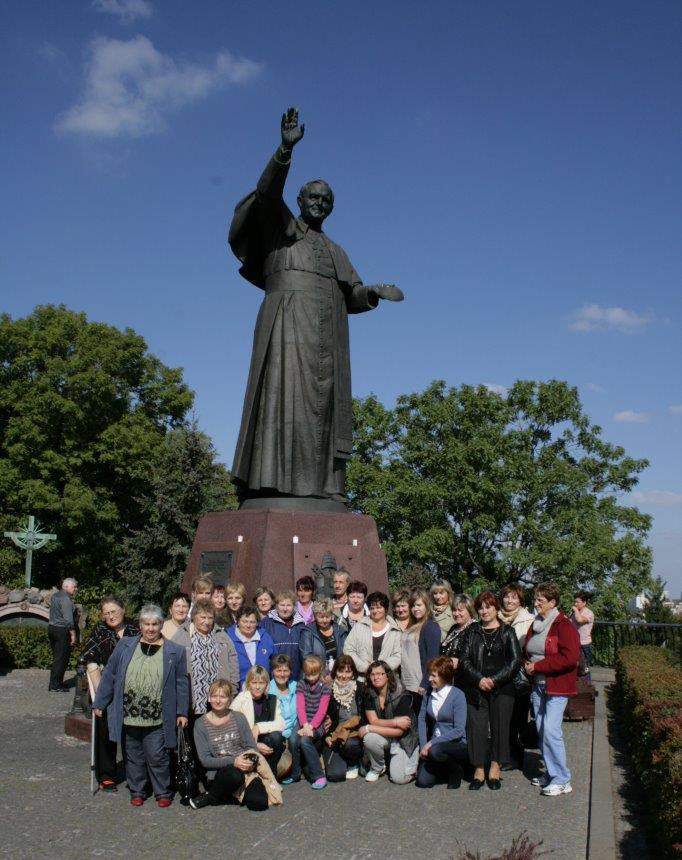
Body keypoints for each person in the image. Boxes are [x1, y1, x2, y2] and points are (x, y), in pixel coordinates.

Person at [228, 107, 403, 505]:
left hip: (329, 340)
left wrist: (372, 292)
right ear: (300, 200)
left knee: (326, 412)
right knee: (281, 400)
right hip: (287, 329)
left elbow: (349, 293)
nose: (319, 203)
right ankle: (269, 484)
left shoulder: (335, 250)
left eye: (326, 200)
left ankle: (326, 486)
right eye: (313, 197)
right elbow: (266, 195)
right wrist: (284, 151)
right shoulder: (281, 229)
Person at [93, 604, 189, 807]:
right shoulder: (125, 645)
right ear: (140, 625)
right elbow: (110, 674)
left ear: (161, 625)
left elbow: (181, 682)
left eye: (155, 624)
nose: (151, 628)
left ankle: (162, 791)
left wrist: (182, 711)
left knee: (157, 755)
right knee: (133, 755)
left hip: (157, 716)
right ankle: (137, 790)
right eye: (146, 624)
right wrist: (100, 701)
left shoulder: (175, 651)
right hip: (129, 713)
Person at [459, 591, 522, 791]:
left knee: (500, 728)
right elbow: (464, 660)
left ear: (496, 608)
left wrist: (494, 681)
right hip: (476, 688)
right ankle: (478, 769)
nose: (484, 611)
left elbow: (515, 662)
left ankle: (495, 767)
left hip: (502, 688)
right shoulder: (472, 631)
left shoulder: (507, 632)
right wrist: (479, 679)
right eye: (481, 607)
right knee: (476, 729)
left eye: (489, 607)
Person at [523, 582, 581, 796]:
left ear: (552, 602)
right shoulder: (537, 622)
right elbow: (529, 649)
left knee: (551, 730)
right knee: (542, 730)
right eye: (535, 599)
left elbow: (570, 658)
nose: (536, 603)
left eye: (540, 600)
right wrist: (527, 663)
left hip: (557, 686)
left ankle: (562, 779)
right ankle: (551, 772)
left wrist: (538, 666)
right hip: (538, 685)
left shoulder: (563, 625)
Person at [191, 679, 281, 811]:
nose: (218, 700)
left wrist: (248, 761)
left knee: (259, 803)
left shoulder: (239, 717)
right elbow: (205, 760)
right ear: (209, 698)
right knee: (234, 775)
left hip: (245, 769)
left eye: (222, 697)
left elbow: (251, 746)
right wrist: (234, 761)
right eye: (214, 696)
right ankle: (214, 796)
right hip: (221, 773)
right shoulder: (200, 724)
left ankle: (218, 797)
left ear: (229, 699)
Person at [82, 595, 138, 791]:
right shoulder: (100, 630)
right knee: (105, 730)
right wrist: (101, 694)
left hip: (133, 687)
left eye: (113, 611)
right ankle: (107, 774)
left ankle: (135, 772)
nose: (110, 616)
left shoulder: (135, 628)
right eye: (106, 613)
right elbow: (90, 659)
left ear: (123, 610)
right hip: (106, 686)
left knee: (133, 732)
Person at [171, 601, 239, 716]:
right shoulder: (181, 636)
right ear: (194, 617)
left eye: (210, 618)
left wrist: (233, 688)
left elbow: (233, 661)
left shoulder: (221, 635)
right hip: (192, 699)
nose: (207, 622)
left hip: (218, 697)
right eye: (203, 617)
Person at [359, 660, 418, 784]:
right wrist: (395, 722)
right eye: (372, 674)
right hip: (385, 735)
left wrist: (370, 728)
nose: (376, 677)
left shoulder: (402, 694)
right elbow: (373, 720)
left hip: (403, 739)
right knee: (369, 738)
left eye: (380, 673)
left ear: (387, 675)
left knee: (399, 779)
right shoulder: (369, 693)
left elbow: (399, 732)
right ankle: (378, 767)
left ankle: (409, 762)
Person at [416, 656, 468, 789]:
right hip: (434, 745)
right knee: (422, 782)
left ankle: (456, 770)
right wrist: (423, 745)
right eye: (429, 675)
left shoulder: (458, 695)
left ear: (444, 676)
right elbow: (421, 719)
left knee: (435, 750)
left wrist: (431, 743)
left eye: (434, 676)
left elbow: (459, 730)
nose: (429, 679)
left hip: (456, 743)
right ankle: (443, 769)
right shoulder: (428, 693)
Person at [499, 583, 534, 770]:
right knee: (501, 718)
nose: (509, 600)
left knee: (518, 717)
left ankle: (516, 756)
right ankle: (502, 754)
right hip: (499, 673)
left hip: (519, 676)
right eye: (507, 596)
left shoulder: (528, 620)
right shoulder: (496, 616)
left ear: (520, 601)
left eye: (514, 597)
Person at [284, 655, 331, 788]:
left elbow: (322, 711)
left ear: (320, 671)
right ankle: (295, 773)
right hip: (303, 721)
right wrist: (305, 725)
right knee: (293, 739)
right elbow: (300, 707)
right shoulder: (301, 684)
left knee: (305, 741)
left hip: (318, 724)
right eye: (308, 674)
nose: (311, 678)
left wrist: (311, 727)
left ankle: (319, 776)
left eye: (314, 674)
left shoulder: (325, 687)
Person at [231, 666, 286, 776]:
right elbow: (232, 728)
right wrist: (254, 745)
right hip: (246, 744)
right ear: (248, 684)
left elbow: (281, 724)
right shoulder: (241, 699)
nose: (257, 687)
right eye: (254, 682)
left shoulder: (272, 699)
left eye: (261, 683)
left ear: (266, 684)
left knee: (276, 737)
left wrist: (258, 727)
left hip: (267, 744)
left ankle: (270, 775)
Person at [343, 591, 402, 683]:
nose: (375, 611)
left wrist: (381, 668)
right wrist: (365, 667)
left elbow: (398, 655)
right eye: (372, 608)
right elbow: (348, 649)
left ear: (386, 609)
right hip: (362, 679)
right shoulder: (359, 626)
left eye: (379, 607)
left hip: (387, 680)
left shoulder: (395, 630)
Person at [323, 655, 364, 781]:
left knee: (350, 744)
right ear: (335, 672)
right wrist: (327, 735)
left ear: (353, 673)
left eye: (348, 671)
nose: (344, 675)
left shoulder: (360, 688)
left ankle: (354, 763)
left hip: (356, 733)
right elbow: (323, 716)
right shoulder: (329, 690)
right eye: (340, 671)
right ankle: (345, 759)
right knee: (335, 775)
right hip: (337, 734)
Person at [400, 589, 441, 714]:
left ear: (426, 606)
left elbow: (432, 659)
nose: (415, 609)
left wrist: (425, 683)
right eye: (413, 606)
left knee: (423, 721)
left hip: (421, 684)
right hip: (408, 683)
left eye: (419, 605)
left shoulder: (430, 626)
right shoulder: (412, 626)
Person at [260, 590, 306, 680]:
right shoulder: (266, 624)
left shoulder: (301, 625)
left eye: (288, 605)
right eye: (282, 605)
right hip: (274, 677)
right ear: (276, 606)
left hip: (296, 676)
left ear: (294, 607)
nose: (285, 609)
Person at [227, 606, 276, 689]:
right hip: (237, 691)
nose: (248, 625)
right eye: (244, 621)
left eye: (252, 622)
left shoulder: (265, 637)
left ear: (257, 623)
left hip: (263, 690)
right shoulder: (228, 638)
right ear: (237, 622)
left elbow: (274, 662)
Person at [299, 597, 347, 679]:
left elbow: (344, 655)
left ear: (332, 615)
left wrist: (335, 673)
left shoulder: (340, 631)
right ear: (315, 616)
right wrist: (323, 674)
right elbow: (306, 657)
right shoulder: (307, 632)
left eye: (327, 616)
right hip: (314, 676)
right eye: (321, 617)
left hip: (336, 676)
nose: (324, 620)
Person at [48, 577, 78, 692]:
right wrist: (73, 634)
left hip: (52, 628)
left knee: (57, 657)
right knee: (62, 658)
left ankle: (57, 682)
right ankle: (55, 685)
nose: (76, 589)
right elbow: (68, 620)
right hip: (62, 630)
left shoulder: (56, 596)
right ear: (66, 586)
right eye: (74, 586)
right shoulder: (66, 599)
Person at [267, 655, 298, 754]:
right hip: (277, 733)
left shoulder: (297, 687)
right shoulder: (267, 691)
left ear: (290, 672)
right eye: (278, 671)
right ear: (272, 672)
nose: (282, 674)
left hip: (295, 730)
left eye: (285, 671)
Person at [440, 593, 476, 677]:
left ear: (469, 610)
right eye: (454, 610)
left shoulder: (474, 629)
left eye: (460, 610)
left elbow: (474, 658)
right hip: (449, 676)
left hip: (465, 678)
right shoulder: (454, 628)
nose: (456, 614)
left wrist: (459, 661)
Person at [570, 591, 595, 680]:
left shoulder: (589, 613)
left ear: (584, 603)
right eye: (575, 602)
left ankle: (587, 686)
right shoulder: (574, 613)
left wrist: (576, 610)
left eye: (577, 602)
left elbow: (580, 620)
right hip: (574, 644)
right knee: (575, 668)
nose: (575, 604)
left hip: (584, 644)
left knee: (584, 669)